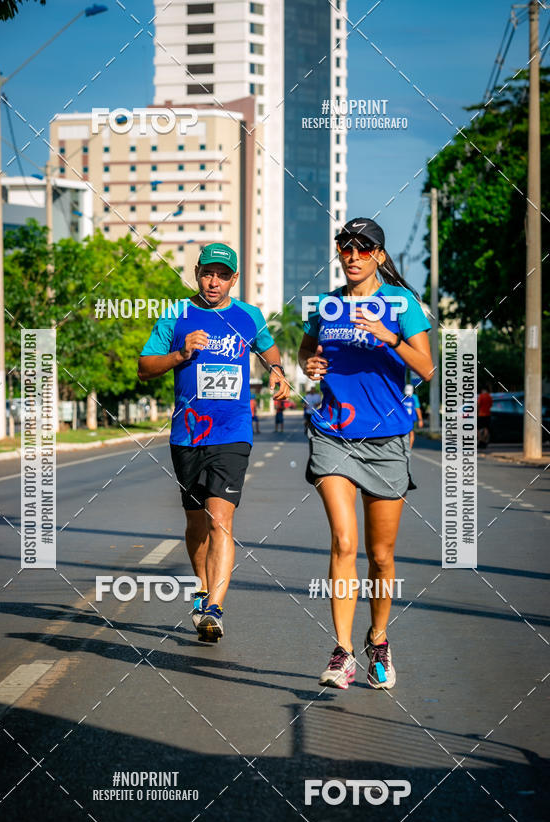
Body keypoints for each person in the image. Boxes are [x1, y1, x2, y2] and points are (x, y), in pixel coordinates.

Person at [298, 217, 433, 690]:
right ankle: (342, 652)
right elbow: (306, 352)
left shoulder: (402, 305)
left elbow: (427, 367)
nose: (352, 255)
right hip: (334, 434)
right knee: (344, 542)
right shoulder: (327, 305)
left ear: (378, 255)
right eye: (345, 247)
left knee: (381, 556)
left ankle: (378, 639)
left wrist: (386, 334)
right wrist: (310, 364)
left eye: (362, 248)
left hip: (388, 441)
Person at [138, 243, 289, 642]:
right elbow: (144, 367)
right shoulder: (176, 314)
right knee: (195, 522)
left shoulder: (248, 315)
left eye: (223, 275)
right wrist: (180, 354)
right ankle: (203, 588)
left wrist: (277, 370)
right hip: (187, 434)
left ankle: (214, 608)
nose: (214, 281)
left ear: (233, 279)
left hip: (232, 432)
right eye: (208, 273)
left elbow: (268, 348)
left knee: (221, 520)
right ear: (197, 271)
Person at [402, 383, 423, 449]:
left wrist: (420, 420)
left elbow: (417, 409)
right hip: (404, 419)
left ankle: (409, 448)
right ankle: (405, 448)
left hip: (411, 419)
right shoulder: (401, 396)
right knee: (404, 433)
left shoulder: (414, 397)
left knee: (411, 433)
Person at [477, 384, 493, 448]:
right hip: (488, 414)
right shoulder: (489, 397)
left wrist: (477, 412)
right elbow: (491, 405)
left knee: (477, 428)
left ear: (482, 390)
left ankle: (481, 440)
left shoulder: (481, 396)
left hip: (481, 414)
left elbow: (478, 405)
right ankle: (484, 441)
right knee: (486, 428)